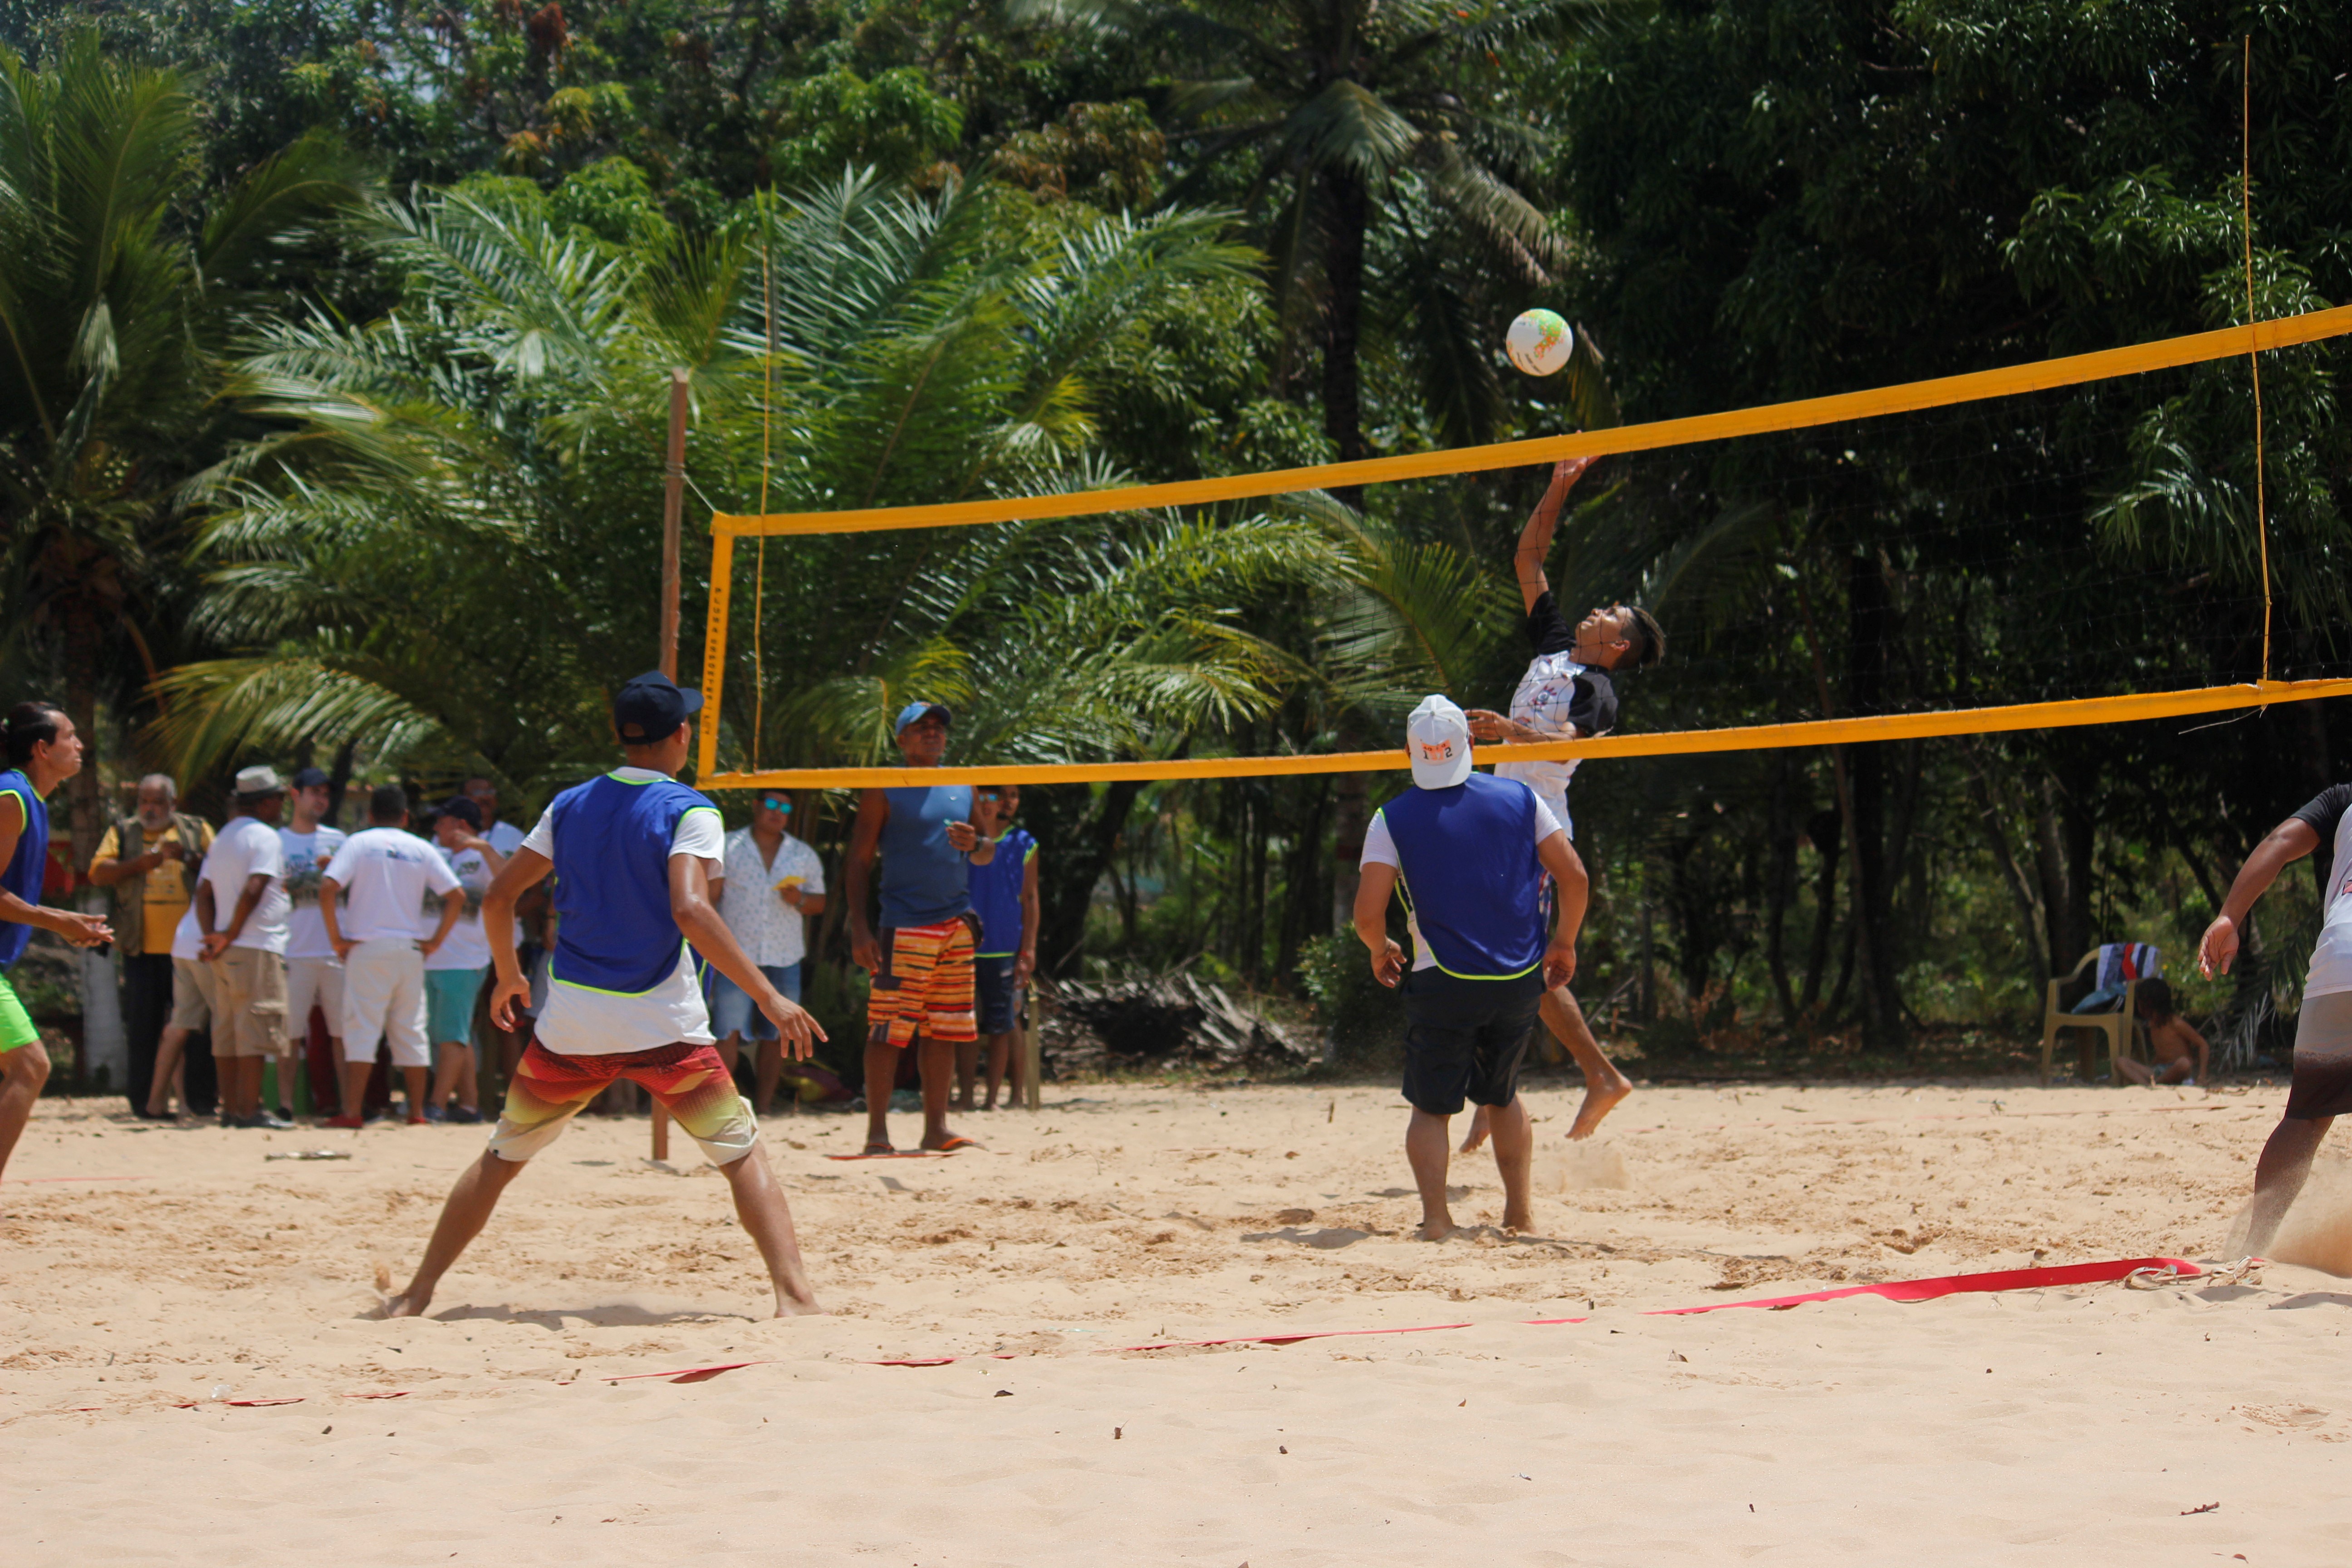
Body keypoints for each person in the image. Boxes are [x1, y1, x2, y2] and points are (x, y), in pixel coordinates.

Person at [387, 672, 825, 1319]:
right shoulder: (689, 809)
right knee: (740, 1154)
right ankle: (795, 1299)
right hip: (664, 1027)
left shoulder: (570, 804)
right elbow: (690, 908)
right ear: (681, 735)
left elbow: (501, 896)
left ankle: (416, 1294)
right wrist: (767, 996)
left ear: (622, 735)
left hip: (573, 1026)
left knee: (501, 1157)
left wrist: (509, 975)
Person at [1460, 456, 1661, 1148]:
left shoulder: (1598, 692)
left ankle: (1594, 1076)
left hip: (1536, 827)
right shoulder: (1554, 648)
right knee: (1497, 960)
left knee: (1527, 966)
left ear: (1619, 644)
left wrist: (1508, 731)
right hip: (1498, 816)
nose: (1595, 610)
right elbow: (1528, 558)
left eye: (1609, 615)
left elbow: (1561, 745)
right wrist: (1561, 484)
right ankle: (1506, 1090)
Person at [1353, 696, 1587, 1241]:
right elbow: (1574, 877)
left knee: (1432, 1108)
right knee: (1502, 1096)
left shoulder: (1391, 818)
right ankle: (1520, 1215)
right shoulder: (1523, 799)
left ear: (1409, 751)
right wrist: (1564, 943)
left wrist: (1379, 947)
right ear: (1473, 745)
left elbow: (1367, 914)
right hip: (1518, 977)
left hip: (1441, 977)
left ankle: (1437, 1221)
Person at [2199, 785, 2352, 1254]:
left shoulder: (2344, 800)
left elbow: (2279, 843)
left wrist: (2230, 917)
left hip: (2339, 958)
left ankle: (2254, 1247)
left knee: (2305, 1118)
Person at [844, 701, 996, 1154]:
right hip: (904, 923)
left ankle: (937, 1129)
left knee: (945, 1027)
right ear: (902, 739)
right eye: (921, 727)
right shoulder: (885, 787)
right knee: (888, 1029)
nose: (933, 733)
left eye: (938, 728)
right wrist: (860, 927)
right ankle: (877, 1133)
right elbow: (858, 860)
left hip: (956, 922)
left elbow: (987, 851)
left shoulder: (963, 783)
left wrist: (977, 841)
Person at [0, 704, 114, 1182]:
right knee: (30, 1067)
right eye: (70, 736)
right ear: (42, 749)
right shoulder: (11, 798)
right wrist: (61, 921)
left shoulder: (30, 800)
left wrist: (65, 922)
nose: (80, 744)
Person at [319, 785, 464, 1128]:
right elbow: (457, 895)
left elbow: (328, 887)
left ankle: (352, 1112)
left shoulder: (359, 843)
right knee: (411, 1029)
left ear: (370, 815)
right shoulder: (422, 848)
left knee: (362, 1029)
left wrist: (337, 939)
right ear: (406, 817)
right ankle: (417, 1112)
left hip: (367, 948)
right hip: (410, 949)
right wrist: (435, 942)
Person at [87, 773, 213, 1117]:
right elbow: (98, 873)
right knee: (143, 1028)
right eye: (144, 801)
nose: (150, 809)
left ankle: (201, 1101)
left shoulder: (195, 829)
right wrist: (139, 865)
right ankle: (145, 1104)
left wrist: (188, 858)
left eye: (158, 802)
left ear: (173, 804)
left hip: (191, 949)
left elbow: (220, 866)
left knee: (198, 1027)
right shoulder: (123, 831)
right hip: (141, 949)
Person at [708, 789, 826, 1114]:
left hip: (785, 955)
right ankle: (721, 1110)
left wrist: (800, 900)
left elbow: (819, 902)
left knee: (778, 1036)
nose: (778, 813)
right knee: (727, 1032)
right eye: (772, 805)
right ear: (756, 806)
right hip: (736, 955)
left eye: (785, 808)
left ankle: (762, 1108)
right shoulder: (728, 846)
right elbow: (711, 896)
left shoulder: (802, 854)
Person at [199, 766, 295, 1129]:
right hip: (255, 945)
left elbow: (203, 893)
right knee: (255, 1029)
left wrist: (214, 938)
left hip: (227, 951)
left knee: (227, 1032)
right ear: (265, 802)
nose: (281, 806)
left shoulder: (224, 837)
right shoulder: (265, 837)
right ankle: (250, 1110)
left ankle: (231, 1109)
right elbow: (255, 888)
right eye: (279, 799)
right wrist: (230, 933)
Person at [425, 796, 505, 1122]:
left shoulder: (482, 856)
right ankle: (470, 1105)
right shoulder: (438, 854)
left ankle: (436, 1106)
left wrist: (484, 848)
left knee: (451, 1037)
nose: (435, 828)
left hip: (464, 960)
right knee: (455, 1034)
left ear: (460, 825)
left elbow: (510, 884)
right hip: (433, 958)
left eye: (441, 822)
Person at [960, 782, 1038, 1112]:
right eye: (987, 796)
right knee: (964, 1024)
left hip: (1004, 947)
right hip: (963, 945)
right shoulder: (960, 841)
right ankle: (965, 1096)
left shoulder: (1023, 843)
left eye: (1005, 796)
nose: (996, 803)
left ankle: (999, 1098)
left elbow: (1030, 898)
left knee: (1004, 1024)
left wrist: (1028, 950)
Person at [277, 766, 348, 1119]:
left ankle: (349, 1106)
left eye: (325, 794)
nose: (321, 799)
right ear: (295, 795)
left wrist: (338, 872)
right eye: (314, 792)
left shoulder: (340, 840)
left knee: (343, 1035)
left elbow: (356, 889)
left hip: (336, 951)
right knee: (289, 1034)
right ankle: (285, 1105)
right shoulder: (277, 841)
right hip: (294, 951)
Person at [463, 775, 540, 1085]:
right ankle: (476, 1099)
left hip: (507, 947)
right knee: (467, 1024)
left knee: (509, 1025)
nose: (483, 798)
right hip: (461, 948)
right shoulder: (451, 838)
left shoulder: (512, 837)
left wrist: (500, 917)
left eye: (489, 792)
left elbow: (535, 893)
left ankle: (513, 1095)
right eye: (476, 792)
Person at [143, 902, 214, 1119]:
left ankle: (157, 1104)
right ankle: (239, 1105)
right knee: (228, 1019)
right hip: (209, 941)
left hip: (185, 939)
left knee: (179, 1025)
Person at [2115, 977, 2207, 1087]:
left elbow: (2203, 1045)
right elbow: (2163, 1053)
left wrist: (2202, 1077)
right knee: (2121, 1062)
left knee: (2184, 1063)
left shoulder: (2176, 1023)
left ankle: (2156, 1085)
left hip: (2179, 1071)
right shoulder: (2152, 1025)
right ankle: (2148, 1087)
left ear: (2148, 1004)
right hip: (2160, 1071)